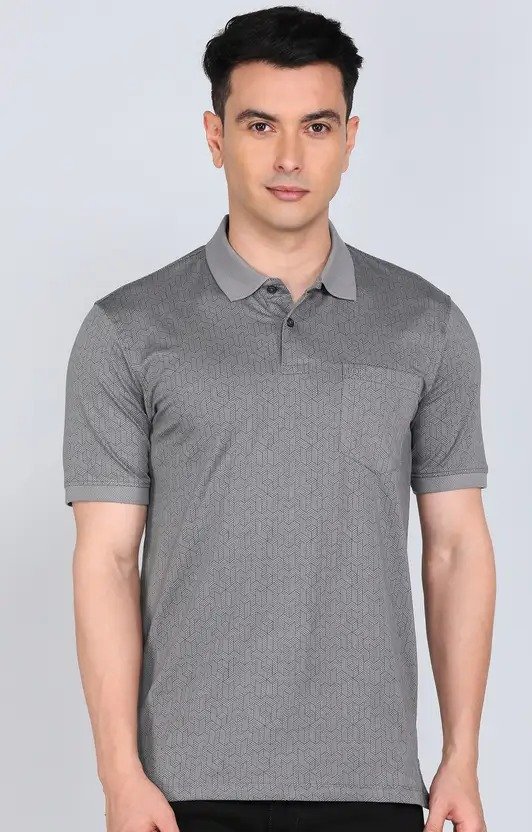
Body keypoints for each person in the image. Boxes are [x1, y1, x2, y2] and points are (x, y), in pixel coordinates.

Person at [62, 6, 495, 832]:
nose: (290, 157)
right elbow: (107, 561)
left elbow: (456, 548)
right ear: (215, 136)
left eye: (316, 126)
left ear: (350, 139)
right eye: (260, 125)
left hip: (373, 784)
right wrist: (120, 774)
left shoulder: (427, 325)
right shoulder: (127, 329)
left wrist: (461, 758)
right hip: (182, 787)